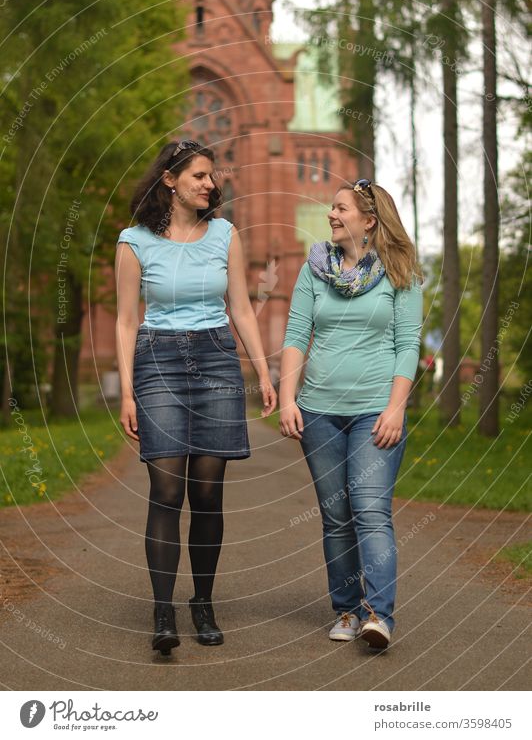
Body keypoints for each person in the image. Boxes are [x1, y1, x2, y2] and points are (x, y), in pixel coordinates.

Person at [115, 139, 276, 655]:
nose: (211, 184)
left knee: (207, 494)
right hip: (158, 360)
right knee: (167, 490)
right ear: (170, 180)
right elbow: (124, 321)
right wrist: (127, 393)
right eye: (200, 176)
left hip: (215, 359)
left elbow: (243, 309)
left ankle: (200, 602)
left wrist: (263, 373)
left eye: (212, 177)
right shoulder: (133, 241)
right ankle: (163, 612)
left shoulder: (225, 234)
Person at [279, 178, 423, 650]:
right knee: (336, 516)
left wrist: (396, 407)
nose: (331, 215)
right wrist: (286, 399)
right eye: (332, 208)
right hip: (319, 410)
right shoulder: (314, 269)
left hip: (375, 412)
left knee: (371, 512)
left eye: (340, 208)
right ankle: (345, 607)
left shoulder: (400, 271)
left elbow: (408, 346)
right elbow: (297, 334)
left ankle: (379, 615)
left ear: (369, 220)